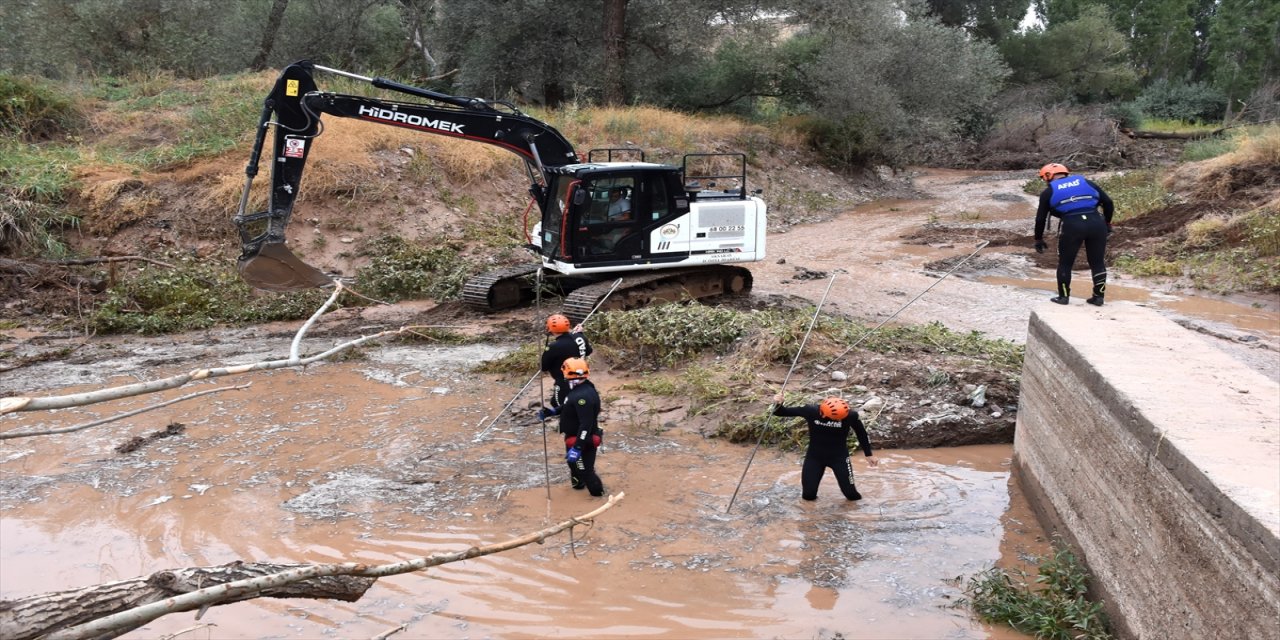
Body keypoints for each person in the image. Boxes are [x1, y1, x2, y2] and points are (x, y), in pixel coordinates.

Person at [1034, 163, 1115, 306]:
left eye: (1044, 179)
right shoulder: (1086, 182)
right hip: (1096, 222)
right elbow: (1108, 202)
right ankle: (1098, 297)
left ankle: (1063, 297)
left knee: (1065, 263)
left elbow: (1040, 218)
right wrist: (1107, 223)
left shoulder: (1049, 192)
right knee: (1097, 262)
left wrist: (1038, 239)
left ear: (1048, 176)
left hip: (1072, 225)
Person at [773, 393, 877, 501]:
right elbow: (779, 412)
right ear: (823, 413)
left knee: (851, 495)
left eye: (839, 419)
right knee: (808, 496)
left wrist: (869, 454)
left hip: (839, 458)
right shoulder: (811, 411)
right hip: (815, 457)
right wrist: (778, 403)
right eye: (833, 418)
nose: (836, 420)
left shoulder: (851, 415)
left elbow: (861, 433)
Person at [536, 357, 604, 495]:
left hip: (584, 438)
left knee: (585, 470)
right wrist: (553, 411)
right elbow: (568, 405)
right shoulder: (583, 387)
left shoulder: (582, 397)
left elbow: (586, 424)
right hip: (574, 436)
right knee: (574, 465)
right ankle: (579, 486)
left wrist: (578, 447)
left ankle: (599, 496)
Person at [540, 313, 591, 409]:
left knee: (561, 406)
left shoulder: (553, 346)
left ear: (550, 329)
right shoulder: (580, 337)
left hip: (564, 382)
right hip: (583, 379)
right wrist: (580, 334)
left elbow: (543, 367)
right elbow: (588, 351)